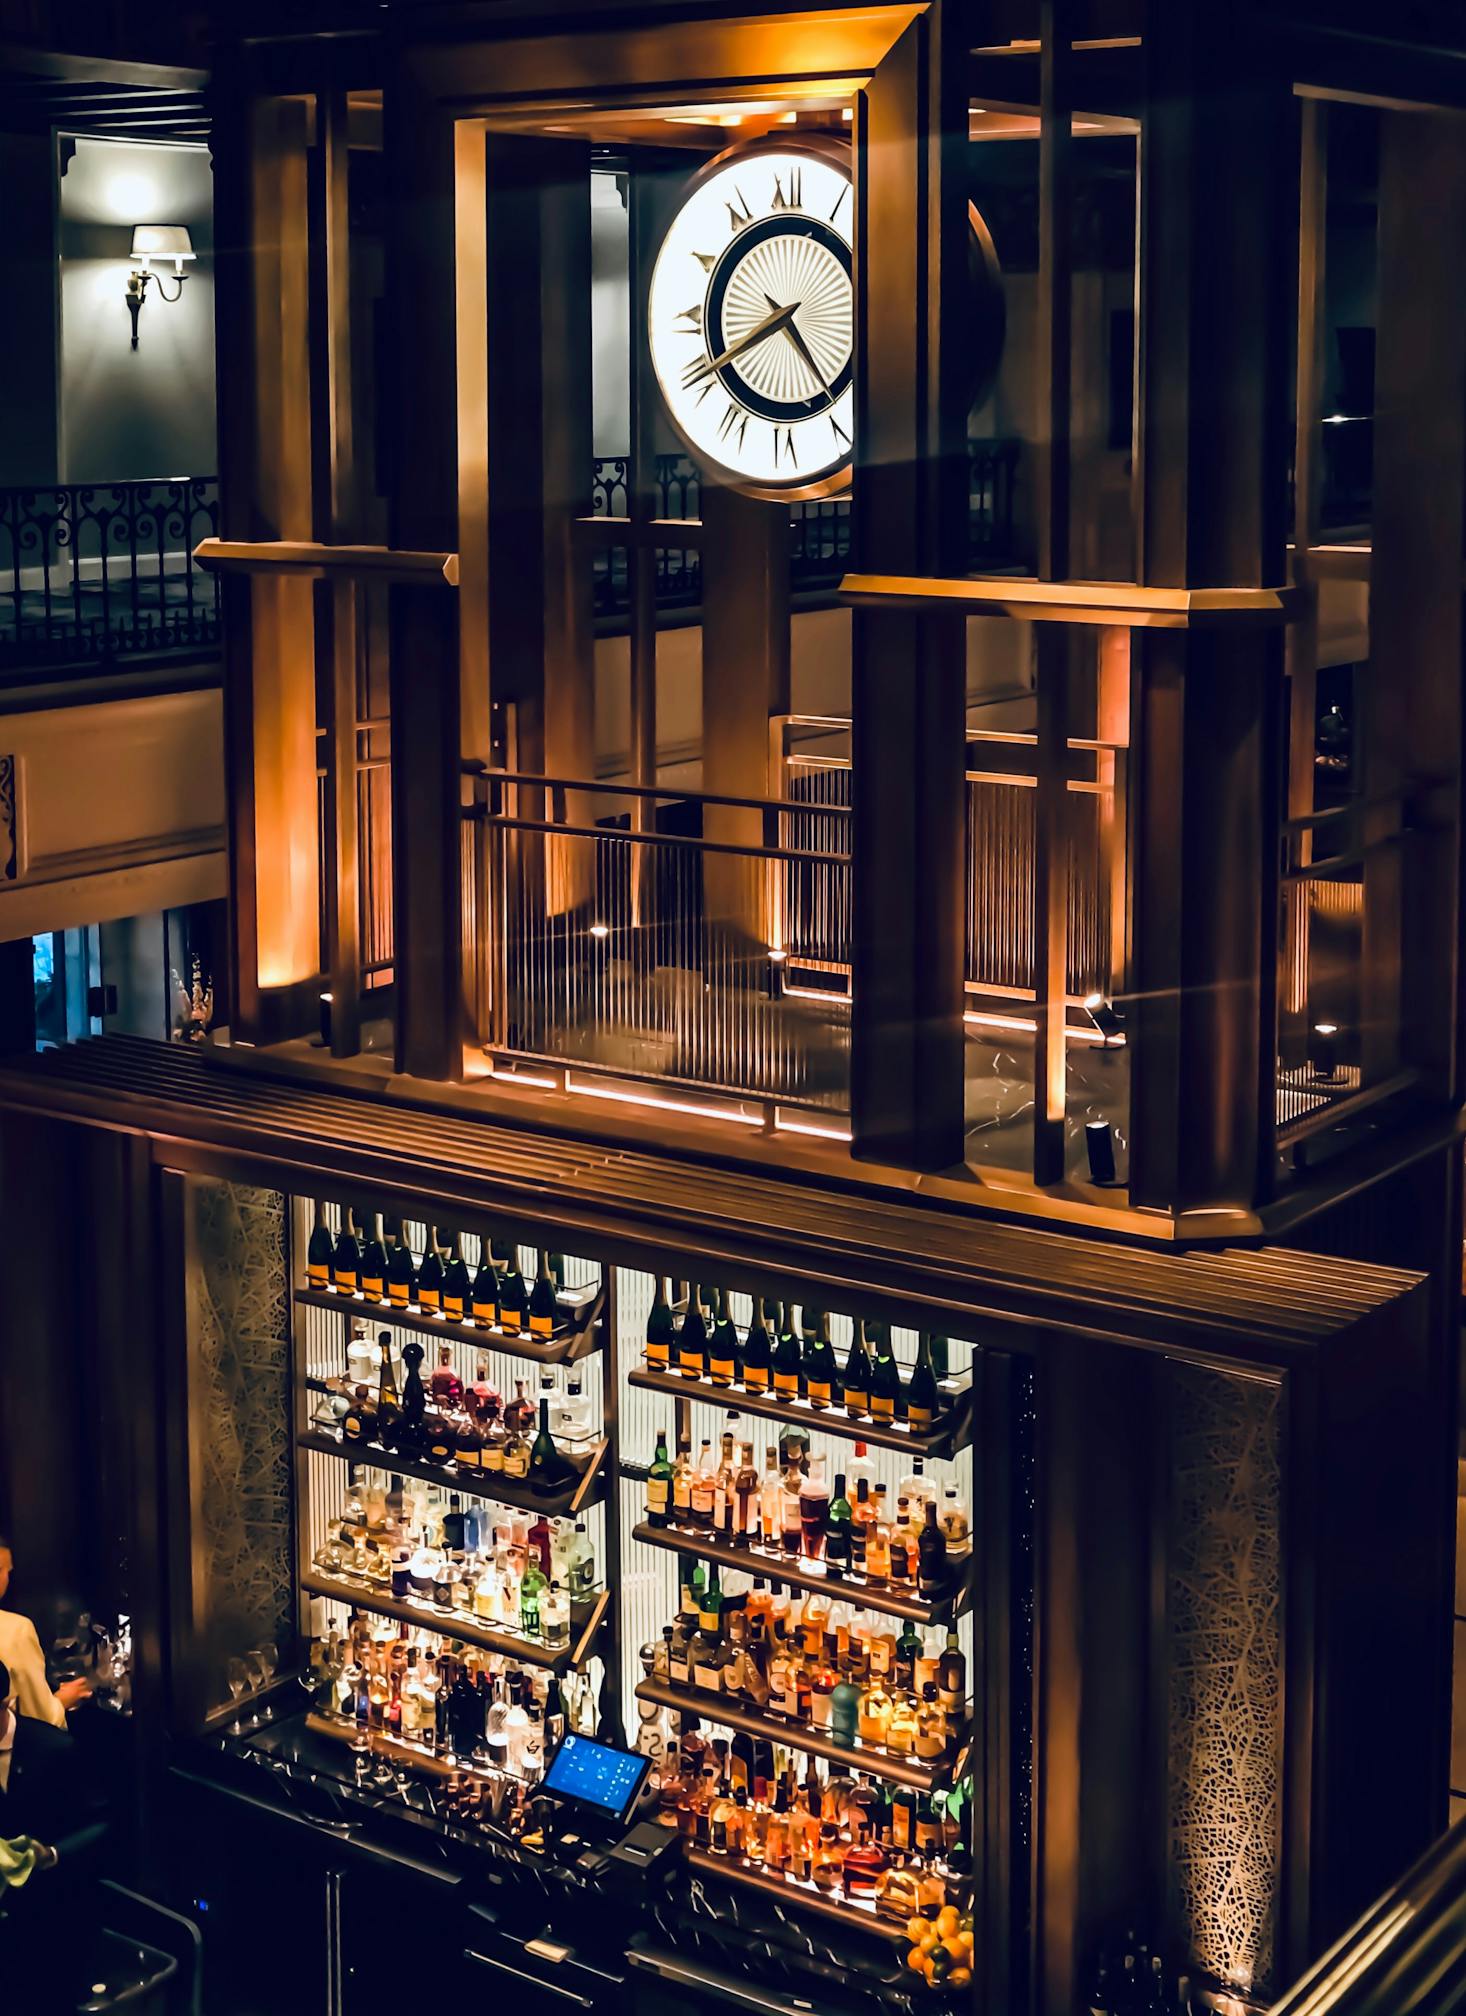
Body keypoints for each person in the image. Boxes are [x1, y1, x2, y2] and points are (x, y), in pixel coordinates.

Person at [0, 1536, 90, 1728]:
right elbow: (40, 1719)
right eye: (3, 1569)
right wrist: (63, 1699)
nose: (7, 1576)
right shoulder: (16, 1630)